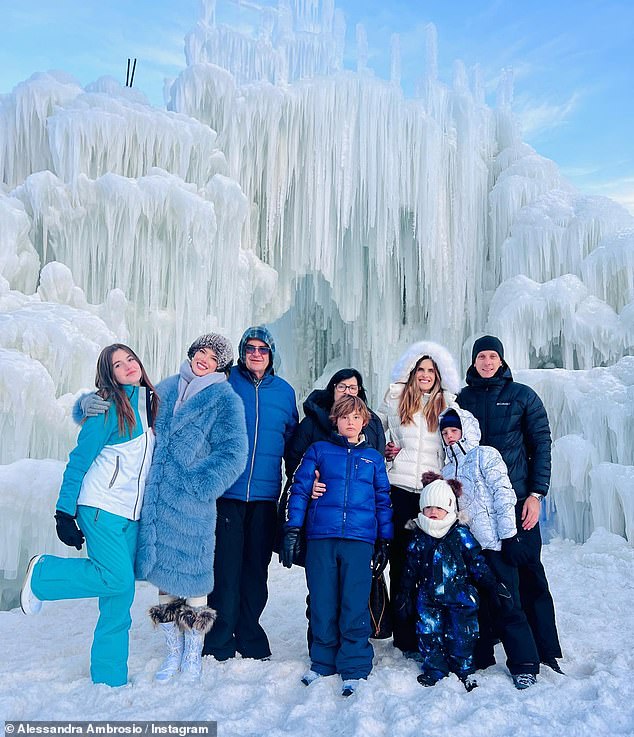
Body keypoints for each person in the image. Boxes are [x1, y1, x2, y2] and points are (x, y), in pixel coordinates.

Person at [20, 344, 158, 687]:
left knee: (118, 600)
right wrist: (64, 512)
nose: (127, 366)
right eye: (117, 364)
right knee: (117, 579)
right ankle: (43, 575)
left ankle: (109, 677)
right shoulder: (107, 407)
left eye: (130, 358)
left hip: (131, 515)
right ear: (108, 375)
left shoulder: (151, 403)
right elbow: (79, 461)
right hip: (100, 509)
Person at [135, 333, 248, 682]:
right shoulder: (166, 389)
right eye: (201, 351)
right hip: (158, 500)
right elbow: (132, 419)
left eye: (213, 356)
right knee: (165, 577)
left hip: (192, 504)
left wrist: (200, 484)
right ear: (192, 354)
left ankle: (192, 656)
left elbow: (233, 453)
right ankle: (173, 653)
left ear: (221, 366)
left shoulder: (225, 400)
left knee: (196, 578)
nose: (204, 358)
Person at [456, 335, 563, 674]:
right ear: (473, 362)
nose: (487, 362)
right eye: (481, 357)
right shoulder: (462, 400)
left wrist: (536, 495)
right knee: (485, 576)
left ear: (501, 361)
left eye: (492, 357)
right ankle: (491, 642)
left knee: (529, 572)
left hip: (517, 502)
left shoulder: (522, 397)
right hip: (476, 508)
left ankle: (544, 648)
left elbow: (541, 446)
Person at [281, 395, 393, 697]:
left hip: (359, 540)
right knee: (322, 601)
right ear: (336, 421)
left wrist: (385, 539)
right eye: (344, 417)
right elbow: (300, 489)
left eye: (356, 417)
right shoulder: (319, 451)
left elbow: (383, 500)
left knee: (354, 603)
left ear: (364, 422)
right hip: (322, 537)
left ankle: (354, 665)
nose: (350, 422)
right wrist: (293, 528)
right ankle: (322, 661)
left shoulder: (373, 459)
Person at [203, 326, 298, 661]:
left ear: (272, 355)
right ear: (242, 353)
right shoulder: (225, 383)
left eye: (263, 349)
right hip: (227, 493)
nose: (256, 354)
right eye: (250, 348)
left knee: (256, 571)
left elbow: (292, 444)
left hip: (264, 497)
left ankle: (249, 633)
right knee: (226, 570)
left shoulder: (285, 393)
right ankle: (218, 639)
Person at [438, 407, 541, 689]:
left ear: (466, 429)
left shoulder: (485, 455)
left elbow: (502, 494)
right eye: (445, 432)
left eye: (454, 430)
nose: (449, 437)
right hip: (469, 550)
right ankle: (480, 657)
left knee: (508, 604)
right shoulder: (447, 469)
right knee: (476, 605)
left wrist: (509, 536)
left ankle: (524, 664)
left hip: (495, 544)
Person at [376, 341, 460, 655]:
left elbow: (459, 445)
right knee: (400, 563)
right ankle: (403, 635)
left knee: (430, 564)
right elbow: (374, 436)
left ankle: (430, 629)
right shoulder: (396, 401)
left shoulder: (450, 406)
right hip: (398, 489)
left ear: (439, 376)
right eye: (420, 369)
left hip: (431, 493)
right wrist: (385, 454)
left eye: (431, 370)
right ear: (411, 373)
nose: (425, 375)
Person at [395, 476, 512, 692]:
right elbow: (410, 569)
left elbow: (477, 562)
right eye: (428, 506)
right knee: (429, 635)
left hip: (460, 598)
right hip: (428, 599)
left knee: (463, 636)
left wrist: (493, 585)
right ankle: (435, 669)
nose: (433, 511)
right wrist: (404, 594)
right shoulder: (419, 536)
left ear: (449, 508)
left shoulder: (459, 533)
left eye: (438, 507)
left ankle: (465, 670)